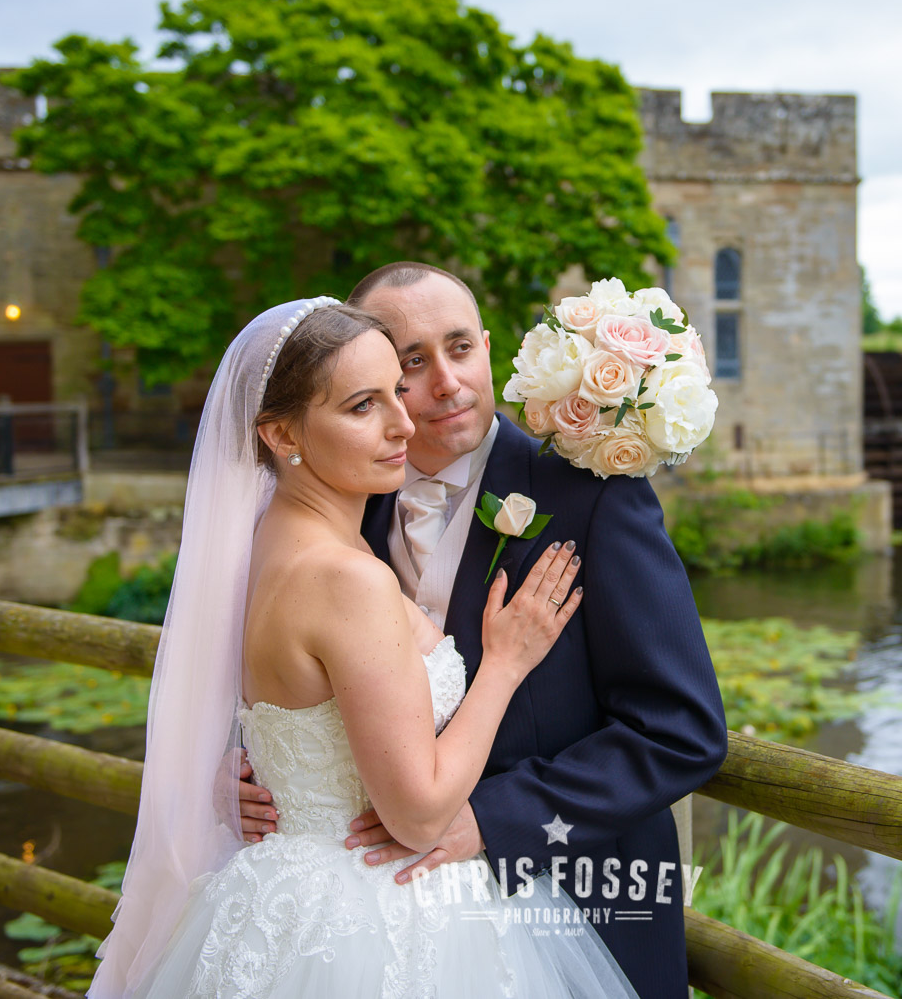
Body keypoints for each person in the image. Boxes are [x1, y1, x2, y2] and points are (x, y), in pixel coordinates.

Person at [89, 298, 639, 998]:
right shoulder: (347, 578)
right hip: (376, 914)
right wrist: (504, 665)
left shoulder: (263, 542)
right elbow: (417, 815)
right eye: (361, 406)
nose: (403, 423)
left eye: (394, 393)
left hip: (277, 898)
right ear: (282, 433)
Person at [237, 265, 728, 999]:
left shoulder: (593, 499)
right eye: (410, 363)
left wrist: (493, 821)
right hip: (375, 935)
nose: (447, 383)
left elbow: (682, 729)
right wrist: (252, 770)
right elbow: (293, 674)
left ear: (491, 347)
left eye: (461, 348)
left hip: (578, 913)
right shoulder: (342, 505)